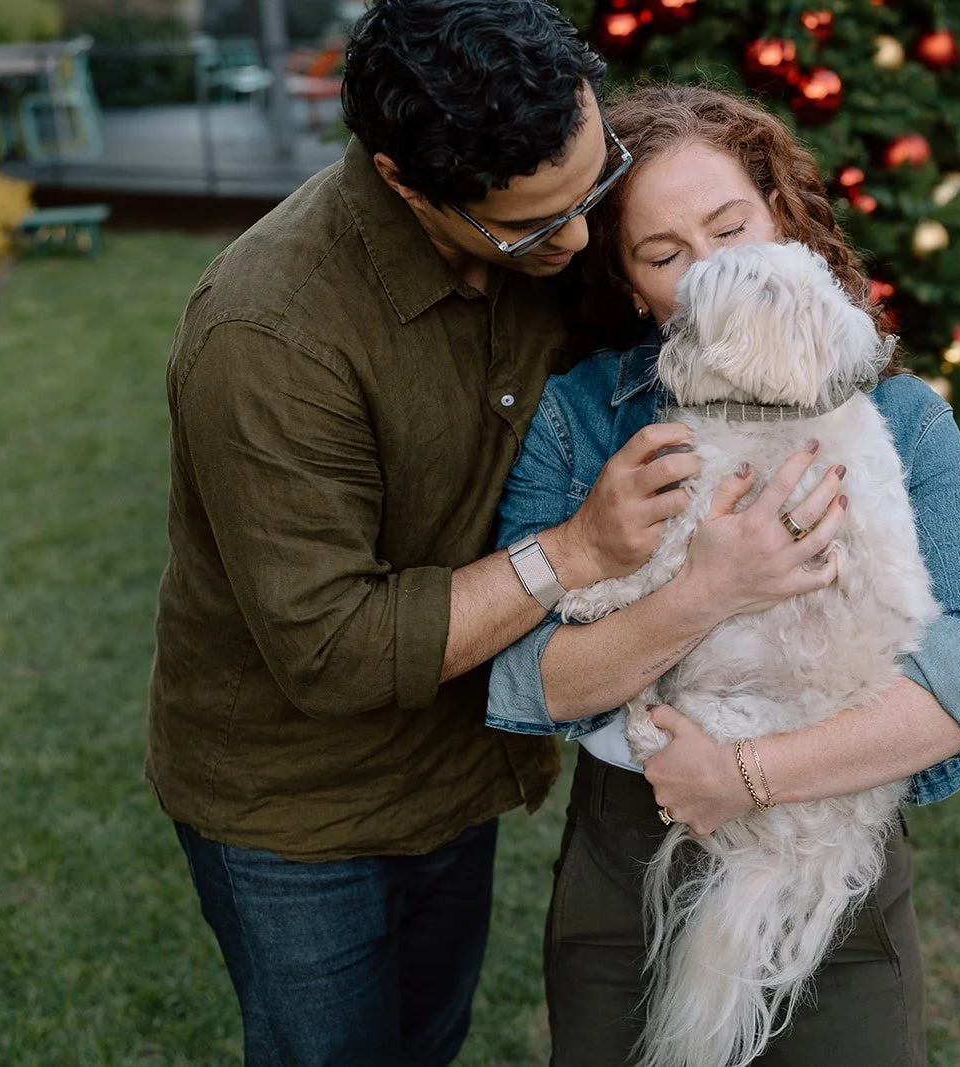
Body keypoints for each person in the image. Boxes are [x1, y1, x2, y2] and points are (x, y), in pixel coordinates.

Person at [144, 3, 714, 1064]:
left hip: (459, 761)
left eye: (594, 186)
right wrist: (577, 553)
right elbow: (330, 647)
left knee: (428, 1037)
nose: (584, 242)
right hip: (296, 804)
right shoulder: (265, 336)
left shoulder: (546, 221)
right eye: (537, 227)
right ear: (405, 179)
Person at [487, 84, 960, 1067]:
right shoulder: (579, 418)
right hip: (624, 854)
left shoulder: (901, 416)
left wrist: (746, 777)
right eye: (664, 254)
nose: (712, 271)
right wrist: (708, 589)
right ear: (626, 285)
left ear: (781, 218)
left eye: (731, 225)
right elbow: (527, 678)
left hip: (833, 831)